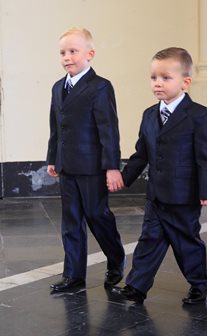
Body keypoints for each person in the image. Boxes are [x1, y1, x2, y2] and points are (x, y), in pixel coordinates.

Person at [115, 47, 207, 304]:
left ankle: (202, 284)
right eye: (153, 78)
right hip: (156, 195)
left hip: (184, 196)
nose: (158, 83)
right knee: (149, 241)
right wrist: (124, 177)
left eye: (165, 78)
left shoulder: (200, 116)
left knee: (186, 243)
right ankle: (136, 286)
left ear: (185, 82)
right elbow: (142, 153)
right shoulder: (149, 115)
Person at [46, 27, 125, 292]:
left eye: (73, 51)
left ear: (89, 54)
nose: (67, 57)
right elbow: (56, 127)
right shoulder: (58, 87)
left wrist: (112, 166)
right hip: (67, 165)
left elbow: (108, 129)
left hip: (92, 167)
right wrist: (52, 158)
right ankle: (73, 276)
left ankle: (116, 259)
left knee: (96, 215)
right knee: (71, 221)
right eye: (62, 52)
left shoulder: (100, 87)